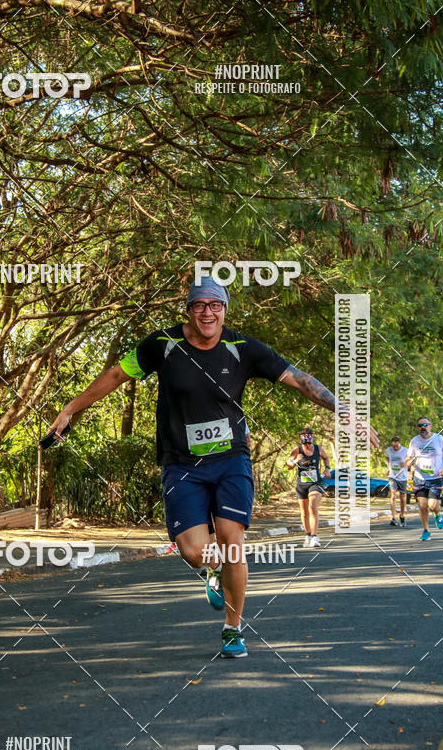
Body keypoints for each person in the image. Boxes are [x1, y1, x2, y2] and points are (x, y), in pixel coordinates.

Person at [48, 275, 378, 658]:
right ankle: (212, 570)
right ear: (188, 310)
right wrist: (71, 409)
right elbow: (115, 375)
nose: (207, 312)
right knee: (194, 551)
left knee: (232, 542)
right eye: (199, 305)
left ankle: (232, 629)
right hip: (181, 464)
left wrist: (344, 410)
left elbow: (300, 380)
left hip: (230, 459)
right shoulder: (162, 345)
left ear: (224, 311)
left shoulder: (243, 348)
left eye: (215, 305)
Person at [286, 427, 330, 547]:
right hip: (301, 484)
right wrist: (296, 461)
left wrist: (327, 469)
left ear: (312, 438)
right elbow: (288, 465)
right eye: (305, 443)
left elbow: (326, 458)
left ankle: (315, 537)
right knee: (304, 512)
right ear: (302, 441)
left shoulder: (319, 449)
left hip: (315, 483)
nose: (308, 446)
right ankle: (308, 535)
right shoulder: (297, 450)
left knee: (313, 505)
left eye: (309, 443)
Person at [406, 417, 443, 540]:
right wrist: (408, 463)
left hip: (436, 478)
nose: (422, 427)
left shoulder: (439, 439)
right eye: (420, 425)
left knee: (432, 505)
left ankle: (437, 514)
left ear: (431, 426)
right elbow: (409, 457)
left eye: (425, 424)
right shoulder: (414, 441)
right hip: (420, 478)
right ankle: (426, 531)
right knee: (422, 505)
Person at [385, 436, 408, 526]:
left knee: (402, 498)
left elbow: (411, 461)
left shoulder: (406, 450)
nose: (395, 448)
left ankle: (402, 516)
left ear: (400, 443)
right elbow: (386, 458)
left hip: (402, 477)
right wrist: (387, 467)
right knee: (393, 495)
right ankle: (393, 518)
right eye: (393, 446)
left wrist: (405, 464)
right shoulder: (389, 450)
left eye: (396, 446)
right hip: (392, 476)